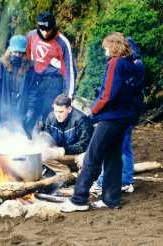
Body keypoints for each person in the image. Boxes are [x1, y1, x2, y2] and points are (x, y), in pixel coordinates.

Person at [61, 32, 145, 212]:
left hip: (111, 119)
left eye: (106, 47)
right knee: (113, 158)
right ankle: (111, 199)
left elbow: (108, 94)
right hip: (124, 118)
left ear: (113, 46)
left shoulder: (116, 63)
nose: (105, 51)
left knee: (92, 157)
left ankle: (79, 199)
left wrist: (93, 112)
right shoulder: (133, 64)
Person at [90, 37, 144, 195]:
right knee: (125, 147)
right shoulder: (135, 64)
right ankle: (126, 181)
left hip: (121, 114)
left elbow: (111, 93)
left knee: (114, 148)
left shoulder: (124, 64)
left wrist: (95, 111)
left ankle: (104, 182)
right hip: (130, 112)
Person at [26, 11, 77, 126]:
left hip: (53, 82)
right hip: (35, 79)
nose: (45, 33)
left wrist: (68, 96)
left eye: (48, 30)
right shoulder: (31, 36)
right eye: (42, 29)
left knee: (48, 116)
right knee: (28, 113)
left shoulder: (63, 42)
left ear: (53, 27)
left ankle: (44, 140)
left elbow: (70, 71)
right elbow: (26, 61)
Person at [41, 94, 93, 174]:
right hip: (61, 154)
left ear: (69, 109)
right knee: (43, 154)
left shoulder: (81, 119)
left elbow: (84, 145)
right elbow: (46, 136)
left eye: (61, 112)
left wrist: (64, 150)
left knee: (85, 159)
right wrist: (46, 144)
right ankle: (65, 172)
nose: (57, 115)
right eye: (55, 111)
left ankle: (77, 173)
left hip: (78, 156)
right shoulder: (51, 117)